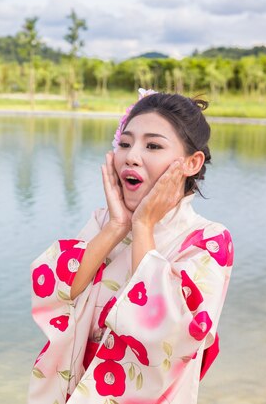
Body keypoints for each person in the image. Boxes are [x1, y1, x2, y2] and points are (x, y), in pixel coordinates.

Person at [28, 89, 234, 404]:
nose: (131, 156)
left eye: (152, 145)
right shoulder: (105, 223)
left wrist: (144, 226)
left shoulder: (208, 240)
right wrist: (117, 226)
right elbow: (58, 292)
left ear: (192, 162)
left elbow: (166, 332)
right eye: (125, 143)